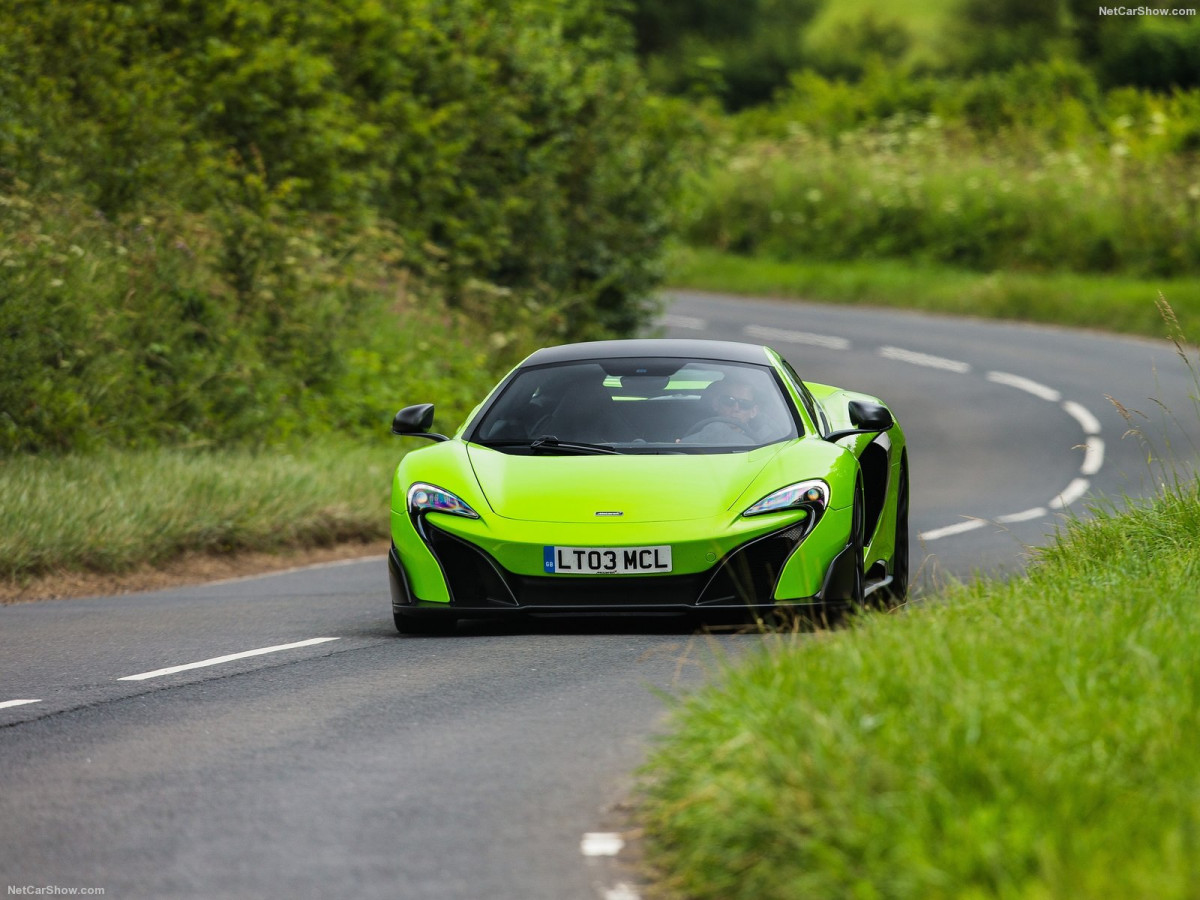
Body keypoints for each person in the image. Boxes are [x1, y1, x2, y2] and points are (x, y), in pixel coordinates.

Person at [681, 378, 759, 444]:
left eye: (744, 404)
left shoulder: (766, 442)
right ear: (716, 404)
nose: (736, 408)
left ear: (753, 411)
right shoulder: (690, 432)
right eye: (729, 400)